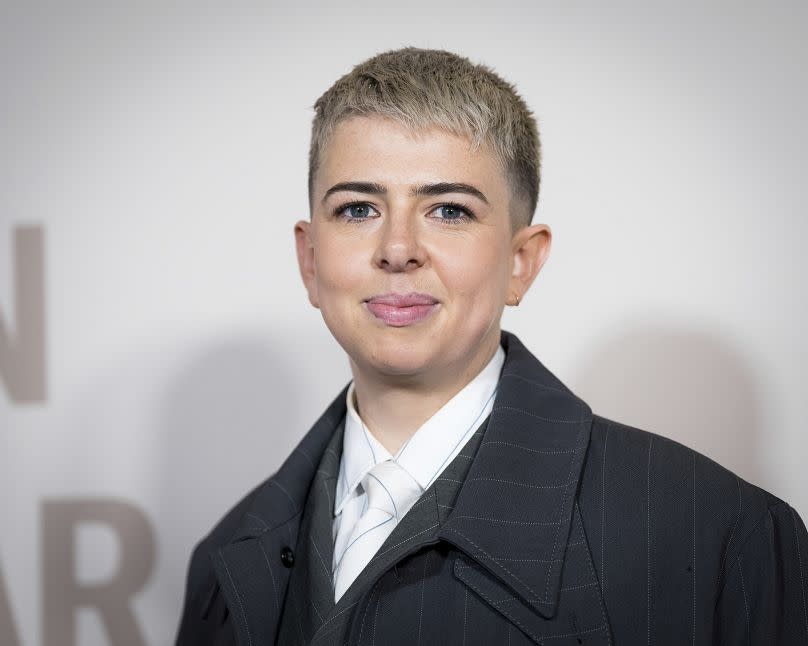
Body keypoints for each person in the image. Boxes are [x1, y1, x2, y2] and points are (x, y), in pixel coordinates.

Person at [175, 48, 808, 645]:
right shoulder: (227, 560)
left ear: (520, 262)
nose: (398, 248)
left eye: (448, 210)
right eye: (358, 209)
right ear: (310, 261)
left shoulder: (719, 537)